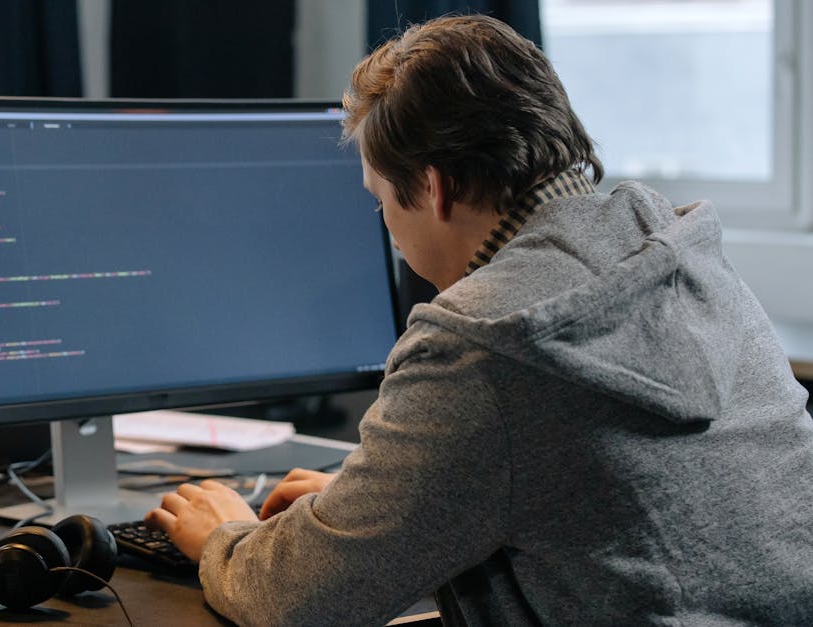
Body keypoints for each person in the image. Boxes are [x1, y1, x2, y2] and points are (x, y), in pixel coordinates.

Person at [146, 14, 813, 626]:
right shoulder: (677, 250)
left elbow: (300, 601)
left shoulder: (480, 340)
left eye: (382, 202)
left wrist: (226, 535)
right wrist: (396, 506)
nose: (391, 232)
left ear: (433, 188)